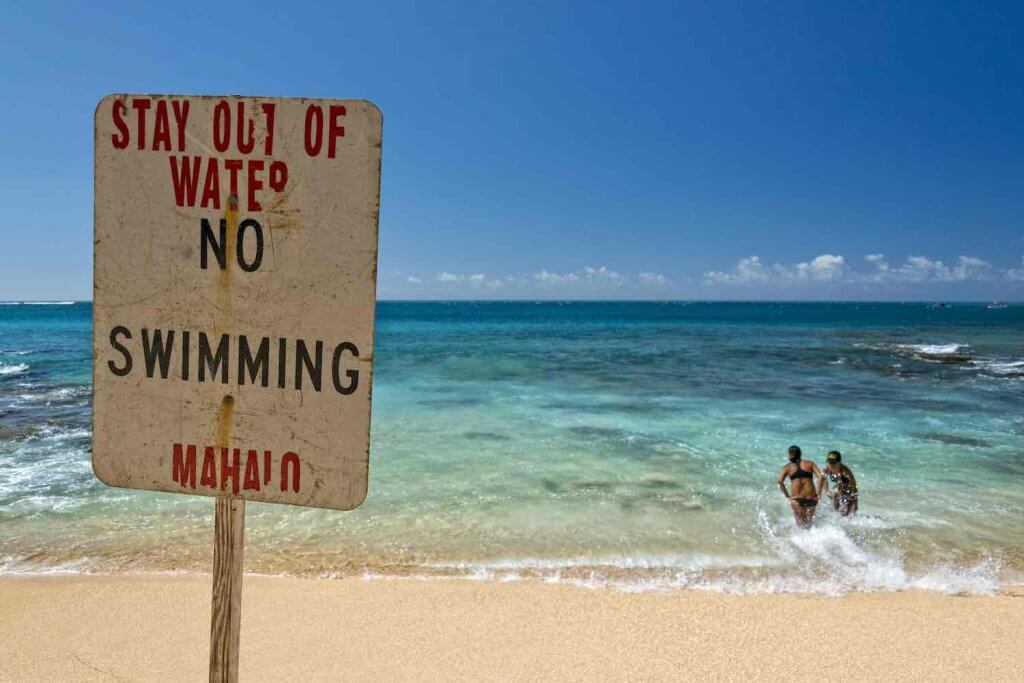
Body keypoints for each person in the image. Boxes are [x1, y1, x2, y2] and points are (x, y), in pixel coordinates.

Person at [777, 445, 825, 529]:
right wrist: (819, 493)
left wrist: (787, 495)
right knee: (810, 524)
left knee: (800, 527)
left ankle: (801, 541)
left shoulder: (787, 467)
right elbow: (821, 477)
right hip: (811, 498)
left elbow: (780, 482)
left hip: (797, 499)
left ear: (790, 455)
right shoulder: (809, 464)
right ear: (800, 453)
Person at [821, 450, 858, 516]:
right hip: (839, 489)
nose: (831, 464)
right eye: (830, 462)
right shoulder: (827, 469)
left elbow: (854, 487)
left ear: (839, 462)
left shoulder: (845, 471)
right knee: (836, 510)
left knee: (849, 513)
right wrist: (827, 491)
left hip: (849, 491)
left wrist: (855, 502)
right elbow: (823, 479)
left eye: (833, 463)